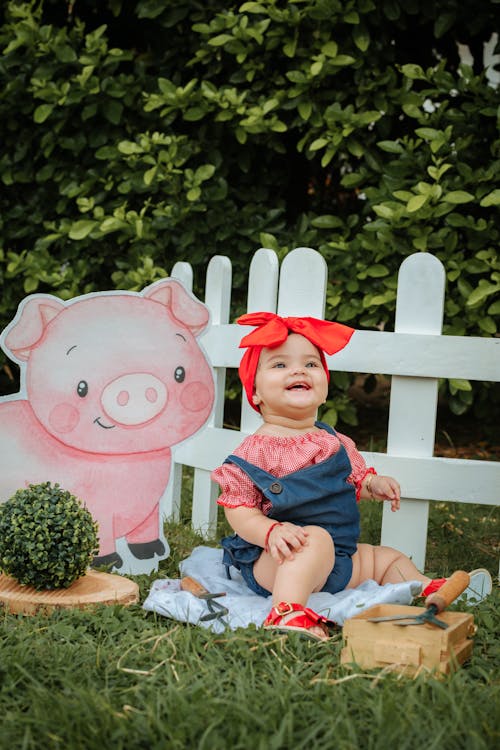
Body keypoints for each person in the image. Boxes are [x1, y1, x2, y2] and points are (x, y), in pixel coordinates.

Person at [211, 312, 492, 641]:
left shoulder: (334, 441)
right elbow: (239, 510)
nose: (299, 370)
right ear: (255, 392)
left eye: (311, 364)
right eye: (280, 365)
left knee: (385, 558)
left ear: (324, 388)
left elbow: (353, 478)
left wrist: (373, 484)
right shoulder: (256, 451)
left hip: (339, 559)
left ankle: (428, 588)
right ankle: (286, 611)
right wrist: (270, 531)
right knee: (315, 541)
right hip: (280, 560)